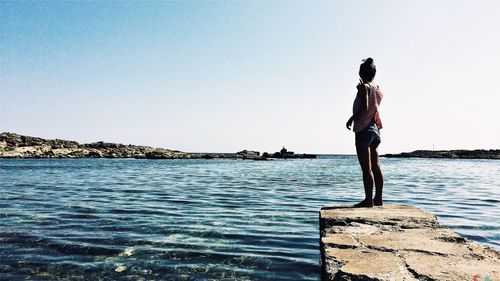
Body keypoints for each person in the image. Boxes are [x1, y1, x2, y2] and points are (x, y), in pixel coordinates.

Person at [346, 58, 384, 207]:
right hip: (375, 129)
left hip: (363, 128)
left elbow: (364, 106)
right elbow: (373, 105)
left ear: (361, 73)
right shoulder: (378, 88)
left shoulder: (364, 87)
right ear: (374, 73)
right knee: (376, 166)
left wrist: (351, 118)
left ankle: (368, 200)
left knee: (366, 168)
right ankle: (378, 198)